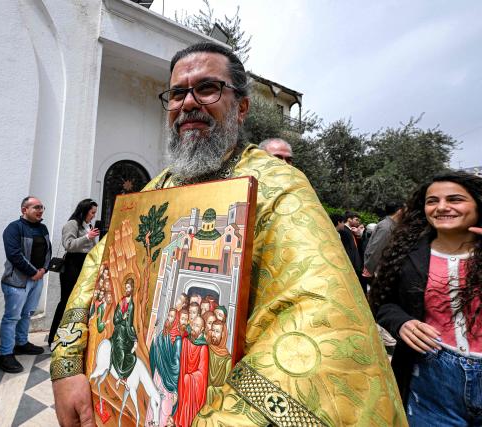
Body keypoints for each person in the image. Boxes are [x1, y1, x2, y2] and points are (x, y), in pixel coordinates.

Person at [51, 42, 403, 426]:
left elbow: (320, 317)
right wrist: (66, 362)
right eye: (177, 93)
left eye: (206, 89)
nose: (188, 103)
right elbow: (98, 274)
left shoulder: (279, 186)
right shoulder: (155, 190)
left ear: (242, 106)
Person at [370, 171, 482, 426]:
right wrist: (401, 323)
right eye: (432, 201)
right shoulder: (406, 253)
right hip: (430, 376)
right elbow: (382, 302)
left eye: (455, 199)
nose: (442, 207)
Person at [0, 196, 51, 373]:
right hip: (17, 282)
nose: (40, 210)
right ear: (24, 210)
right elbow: (14, 254)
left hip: (37, 279)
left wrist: (43, 269)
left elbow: (47, 251)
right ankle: (5, 354)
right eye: (36, 207)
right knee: (12, 318)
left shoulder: (42, 228)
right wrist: (33, 272)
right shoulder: (14, 228)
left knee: (27, 314)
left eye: (42, 207)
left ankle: (21, 343)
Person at [47, 199, 99, 347]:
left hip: (85, 265)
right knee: (66, 300)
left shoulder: (88, 225)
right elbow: (68, 245)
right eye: (92, 212)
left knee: (80, 301)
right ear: (84, 211)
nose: (94, 216)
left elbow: (89, 247)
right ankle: (53, 337)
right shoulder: (72, 224)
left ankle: (71, 334)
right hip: (72, 265)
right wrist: (87, 237)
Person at [175, 315, 209, 427]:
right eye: (193, 324)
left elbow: (202, 373)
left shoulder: (203, 347)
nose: (194, 327)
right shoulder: (185, 341)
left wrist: (189, 378)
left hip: (193, 388)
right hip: (182, 385)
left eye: (197, 326)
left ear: (202, 329)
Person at [363, 202, 405, 276]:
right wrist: (370, 269)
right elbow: (376, 249)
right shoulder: (387, 227)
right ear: (400, 211)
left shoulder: (388, 225)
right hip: (377, 271)